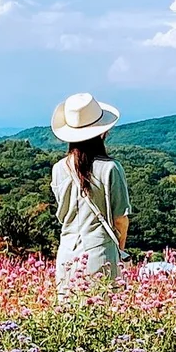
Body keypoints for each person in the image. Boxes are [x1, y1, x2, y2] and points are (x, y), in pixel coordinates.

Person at [50, 92, 131, 297]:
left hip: (67, 254)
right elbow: (120, 219)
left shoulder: (59, 169)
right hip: (100, 252)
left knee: (68, 316)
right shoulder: (111, 168)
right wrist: (119, 250)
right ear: (102, 132)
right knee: (102, 316)